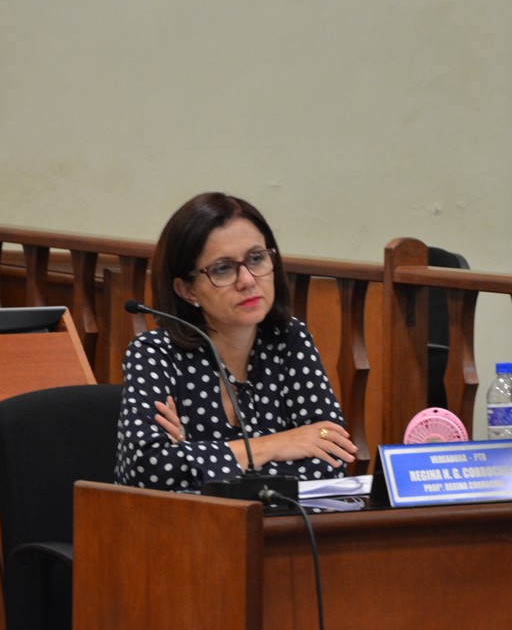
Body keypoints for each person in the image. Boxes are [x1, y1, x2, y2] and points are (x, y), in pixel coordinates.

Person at [116, 192, 357, 492]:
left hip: (284, 520)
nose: (247, 280)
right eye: (223, 268)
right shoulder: (155, 354)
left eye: (256, 259)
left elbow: (332, 456)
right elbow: (148, 470)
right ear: (187, 290)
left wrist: (195, 458)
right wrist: (278, 444)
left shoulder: (289, 339)